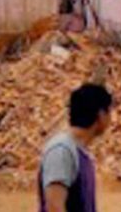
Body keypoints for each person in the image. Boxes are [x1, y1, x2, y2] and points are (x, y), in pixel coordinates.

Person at [39, 84, 113, 212]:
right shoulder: (62, 150)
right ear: (101, 115)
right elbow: (54, 207)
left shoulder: (79, 153)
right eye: (109, 112)